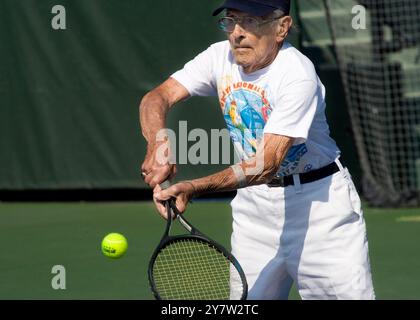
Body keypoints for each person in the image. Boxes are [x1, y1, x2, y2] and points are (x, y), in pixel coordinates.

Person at [139, 0, 375, 300]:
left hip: (319, 211)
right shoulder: (218, 57)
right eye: (231, 20)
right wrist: (158, 143)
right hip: (255, 212)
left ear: (282, 27)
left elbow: (265, 164)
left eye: (250, 21)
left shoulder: (297, 74)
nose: (236, 33)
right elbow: (156, 98)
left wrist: (193, 187)